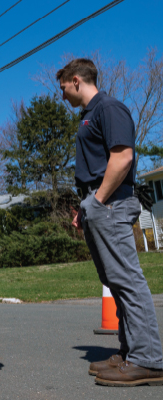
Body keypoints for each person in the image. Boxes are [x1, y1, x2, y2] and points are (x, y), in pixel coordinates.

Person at [59, 58, 163, 386]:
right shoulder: (89, 115)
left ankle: (149, 359)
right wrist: (85, 206)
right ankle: (131, 351)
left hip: (113, 204)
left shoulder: (108, 108)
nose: (61, 95)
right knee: (115, 281)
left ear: (76, 80)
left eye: (63, 87)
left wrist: (98, 199)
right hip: (99, 203)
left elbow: (123, 156)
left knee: (127, 280)